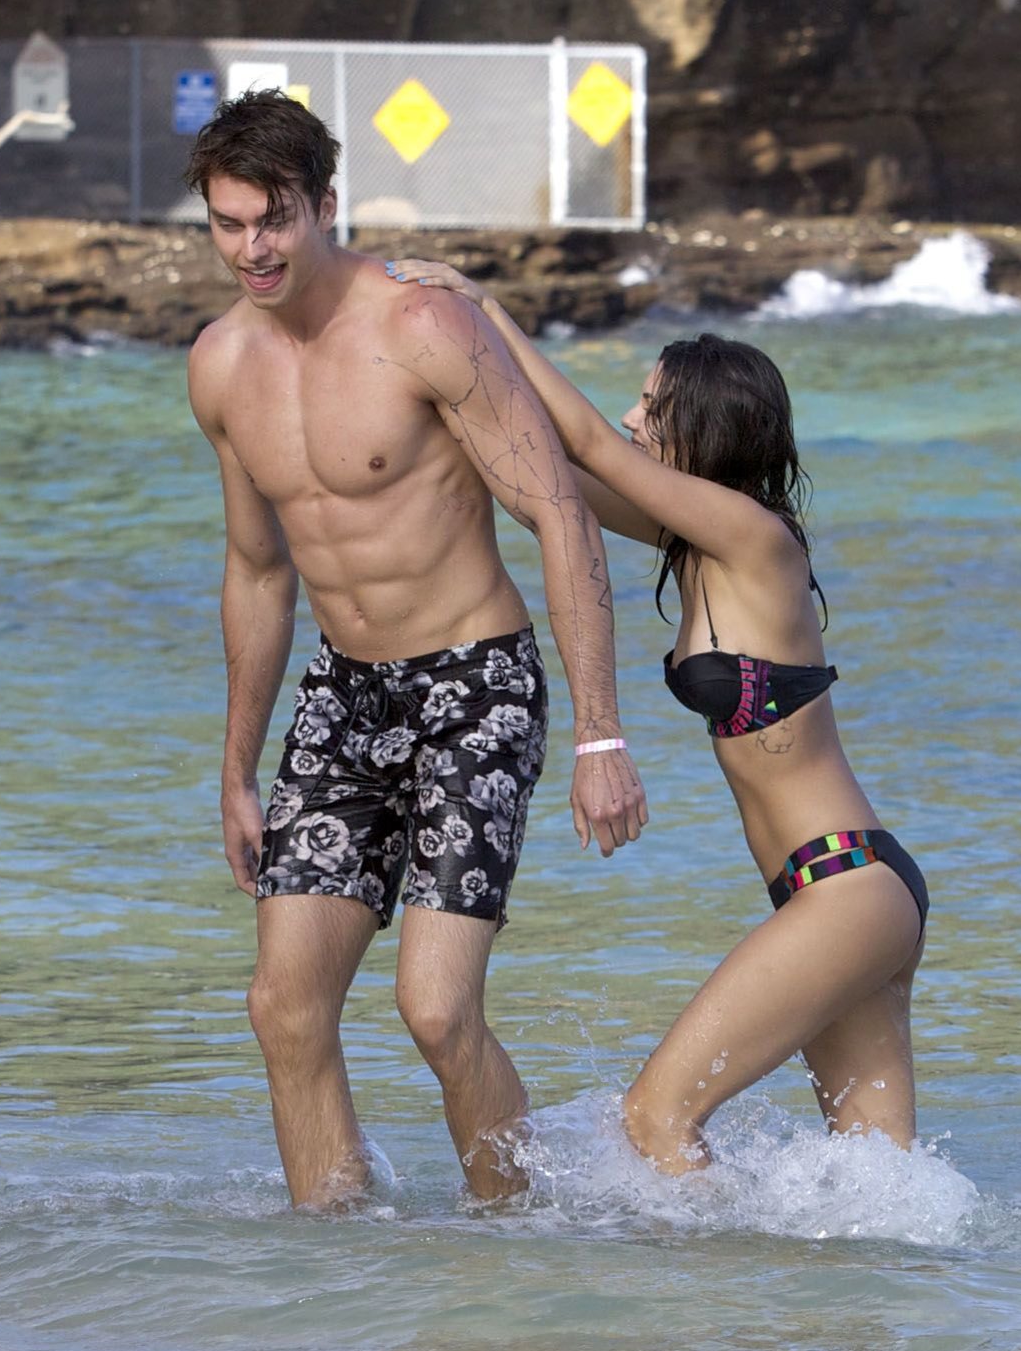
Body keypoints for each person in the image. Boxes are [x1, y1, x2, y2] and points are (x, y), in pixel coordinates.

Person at [184, 95, 649, 1210]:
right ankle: (338, 1259)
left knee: (436, 1011)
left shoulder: (425, 327)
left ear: (325, 205)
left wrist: (601, 733)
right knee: (283, 1006)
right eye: (228, 224)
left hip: (475, 685)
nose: (252, 248)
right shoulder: (221, 365)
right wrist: (237, 769)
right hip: (344, 697)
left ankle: (516, 1241)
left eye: (274, 219)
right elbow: (258, 571)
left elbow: (560, 514)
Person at [385, 261, 926, 1172]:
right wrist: (447, 383)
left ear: (702, 426)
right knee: (877, 1196)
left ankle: (701, 1270)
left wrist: (488, 309)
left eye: (652, 404)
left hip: (848, 888)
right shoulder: (696, 543)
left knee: (654, 1119)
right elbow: (553, 477)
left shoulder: (757, 540)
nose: (635, 417)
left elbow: (592, 443)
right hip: (832, 889)